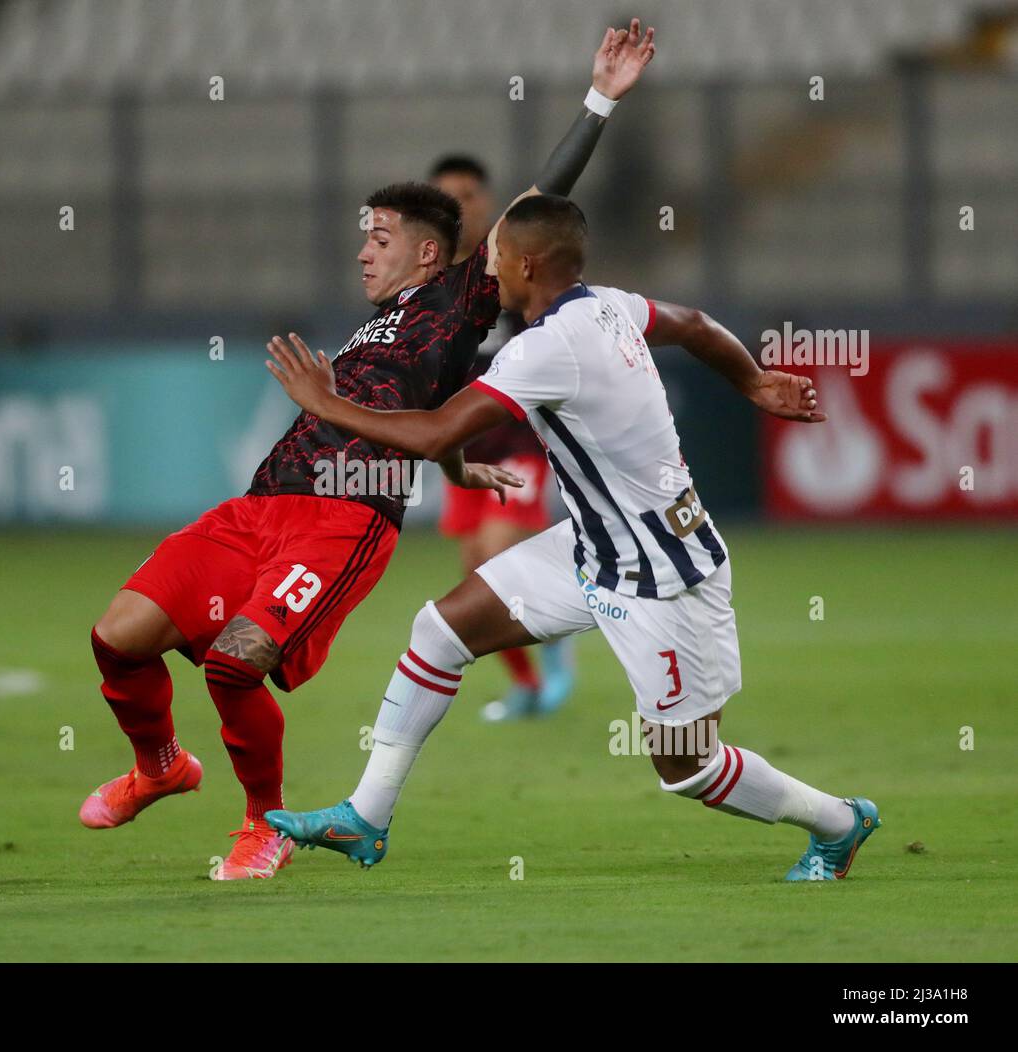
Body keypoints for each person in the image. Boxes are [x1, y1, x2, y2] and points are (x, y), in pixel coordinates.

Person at [79, 22, 658, 879]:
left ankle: (261, 824)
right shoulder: (377, 325)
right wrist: (458, 463)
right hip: (258, 507)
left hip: (343, 520)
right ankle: (161, 768)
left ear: (428, 251)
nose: (362, 250)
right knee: (117, 636)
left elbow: (537, 198)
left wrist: (600, 98)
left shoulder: (462, 295)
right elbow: (416, 405)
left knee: (237, 663)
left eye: (378, 238)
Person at [263, 193, 881, 883]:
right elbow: (697, 324)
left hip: (662, 576)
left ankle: (839, 822)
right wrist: (754, 382)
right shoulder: (609, 305)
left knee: (688, 767)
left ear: (526, 264)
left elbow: (437, 430)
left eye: (496, 256)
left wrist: (327, 405)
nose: (487, 268)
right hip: (593, 548)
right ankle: (366, 815)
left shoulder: (549, 348)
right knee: (439, 631)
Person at [430, 155, 575, 721]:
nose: (460, 205)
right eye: (448, 196)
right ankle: (530, 686)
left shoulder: (505, 268)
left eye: (470, 193)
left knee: (497, 556)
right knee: (477, 582)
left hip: (515, 445)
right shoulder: (428, 286)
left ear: (487, 203)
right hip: (463, 453)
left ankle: (560, 649)